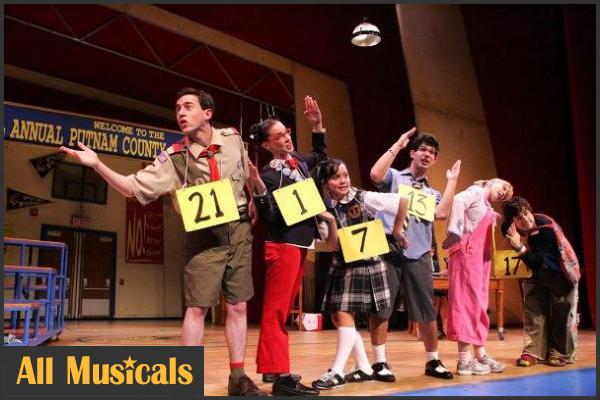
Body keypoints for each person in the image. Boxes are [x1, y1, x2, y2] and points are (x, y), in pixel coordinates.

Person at [60, 88, 267, 396]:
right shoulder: (174, 157)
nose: (180, 112)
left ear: (207, 113)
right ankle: (185, 381)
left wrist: (255, 195)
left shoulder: (232, 138)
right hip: (203, 234)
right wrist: (97, 164)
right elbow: (131, 188)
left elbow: (247, 169)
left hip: (238, 229)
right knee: (197, 308)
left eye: (188, 106)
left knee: (237, 305)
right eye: (177, 108)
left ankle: (238, 378)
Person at [246, 95, 326, 396]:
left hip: (300, 245)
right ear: (267, 145)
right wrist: (260, 188)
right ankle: (281, 378)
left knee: (279, 311)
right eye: (279, 136)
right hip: (283, 246)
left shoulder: (299, 163)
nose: (287, 138)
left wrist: (317, 125)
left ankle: (273, 367)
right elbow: (270, 217)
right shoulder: (269, 174)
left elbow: (319, 155)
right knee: (276, 313)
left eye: (287, 132)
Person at [369, 127, 460, 380]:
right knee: (382, 307)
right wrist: (398, 144)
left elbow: (441, 213)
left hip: (418, 253)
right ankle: (379, 362)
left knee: (426, 308)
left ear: (435, 160)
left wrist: (452, 180)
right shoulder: (395, 178)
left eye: (432, 152)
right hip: (388, 249)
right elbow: (375, 174)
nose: (427, 154)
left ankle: (433, 361)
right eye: (423, 149)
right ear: (412, 153)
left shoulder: (432, 193)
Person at [310, 158, 409, 390]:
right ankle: (364, 367)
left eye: (345, 175)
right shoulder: (323, 209)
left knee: (342, 313)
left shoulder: (364, 198)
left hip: (368, 264)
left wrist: (397, 229)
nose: (343, 180)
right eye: (336, 177)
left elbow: (404, 199)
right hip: (343, 263)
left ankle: (337, 371)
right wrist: (330, 221)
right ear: (325, 183)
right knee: (339, 317)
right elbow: (333, 245)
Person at [441, 178, 513, 375]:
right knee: (466, 303)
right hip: (467, 253)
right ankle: (464, 360)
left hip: (481, 259)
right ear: (490, 182)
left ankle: (480, 354)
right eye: (504, 187)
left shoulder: (486, 204)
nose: (504, 193)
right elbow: (457, 200)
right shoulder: (476, 192)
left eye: (506, 195)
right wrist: (454, 231)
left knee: (479, 304)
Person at [501, 196, 579, 368]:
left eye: (526, 213)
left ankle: (561, 353)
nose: (525, 220)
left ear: (530, 210)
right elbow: (505, 230)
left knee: (562, 315)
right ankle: (532, 352)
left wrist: (519, 247)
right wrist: (515, 241)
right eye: (519, 218)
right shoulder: (511, 229)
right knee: (533, 313)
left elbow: (537, 262)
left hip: (562, 275)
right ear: (513, 221)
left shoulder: (546, 228)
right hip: (537, 275)